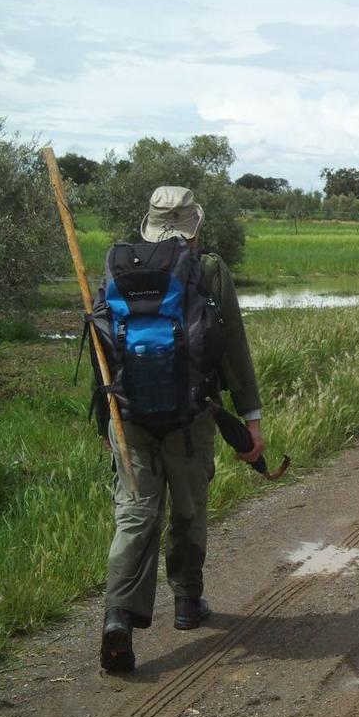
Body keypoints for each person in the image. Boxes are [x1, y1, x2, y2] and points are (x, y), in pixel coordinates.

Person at [96, 186, 265, 673]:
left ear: (148, 223)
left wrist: (108, 416)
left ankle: (118, 619)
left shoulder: (117, 264)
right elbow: (233, 347)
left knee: (134, 514)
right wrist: (250, 419)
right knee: (189, 509)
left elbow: (101, 344)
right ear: (195, 226)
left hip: (127, 416)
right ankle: (188, 603)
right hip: (191, 417)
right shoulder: (209, 269)